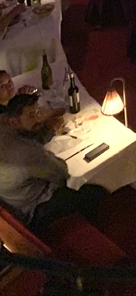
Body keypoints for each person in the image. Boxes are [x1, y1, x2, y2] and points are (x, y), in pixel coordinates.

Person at [0, 93, 104, 232]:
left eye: (38, 112)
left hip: (10, 197)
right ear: (13, 122)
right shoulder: (29, 155)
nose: (38, 118)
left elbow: (29, 139)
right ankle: (88, 227)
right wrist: (49, 131)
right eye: (31, 115)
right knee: (95, 191)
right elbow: (62, 173)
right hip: (32, 209)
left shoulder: (4, 124)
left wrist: (47, 126)